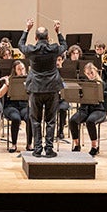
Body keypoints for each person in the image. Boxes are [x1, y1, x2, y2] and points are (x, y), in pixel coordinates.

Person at [18, 18, 67, 158]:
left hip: (36, 88)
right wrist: (58, 32)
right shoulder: (54, 49)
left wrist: (26, 29)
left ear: (35, 38)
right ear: (47, 37)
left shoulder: (31, 50)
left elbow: (20, 44)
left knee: (35, 120)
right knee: (51, 120)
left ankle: (38, 149)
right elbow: (64, 45)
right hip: (52, 89)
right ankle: (49, 149)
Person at [70, 63, 107, 156]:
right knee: (72, 120)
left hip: (99, 110)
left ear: (96, 71)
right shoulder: (84, 84)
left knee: (90, 121)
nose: (90, 75)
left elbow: (104, 100)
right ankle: (77, 144)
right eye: (88, 73)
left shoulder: (102, 84)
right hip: (84, 109)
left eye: (92, 73)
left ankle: (94, 146)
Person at [0, 60, 32, 153]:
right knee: (16, 119)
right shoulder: (10, 80)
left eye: (23, 68)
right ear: (14, 70)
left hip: (24, 106)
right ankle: (14, 144)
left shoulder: (29, 80)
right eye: (19, 69)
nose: (22, 71)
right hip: (10, 106)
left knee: (30, 117)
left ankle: (29, 144)